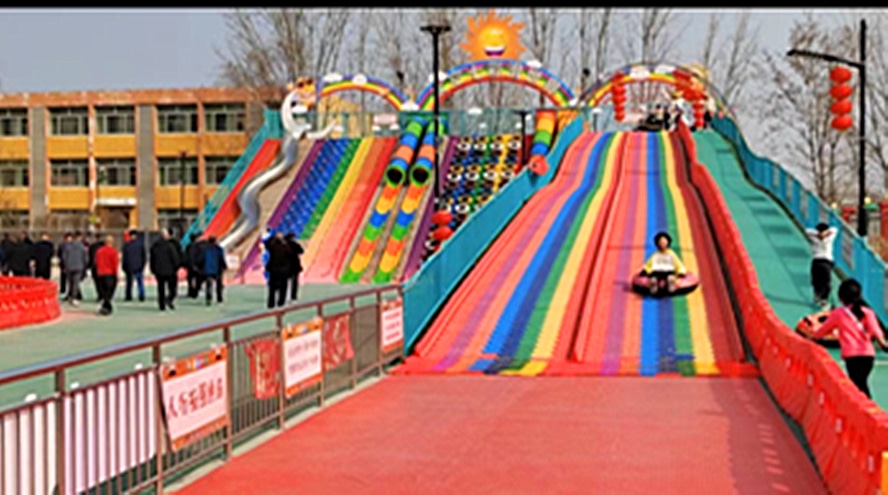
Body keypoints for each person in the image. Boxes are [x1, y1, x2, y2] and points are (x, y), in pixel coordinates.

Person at [809, 279, 888, 399]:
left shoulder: (838, 313)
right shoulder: (868, 312)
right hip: (868, 356)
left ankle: (866, 408)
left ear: (841, 298)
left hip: (852, 357)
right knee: (860, 383)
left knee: (858, 385)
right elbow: (875, 330)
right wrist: (883, 344)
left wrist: (813, 337)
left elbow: (823, 330)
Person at [806, 222, 838, 310]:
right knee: (816, 280)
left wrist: (825, 233)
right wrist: (818, 234)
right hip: (817, 259)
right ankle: (817, 294)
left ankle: (824, 298)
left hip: (827, 261)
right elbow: (807, 231)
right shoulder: (813, 237)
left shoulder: (829, 238)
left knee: (826, 281)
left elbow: (835, 229)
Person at [150, 229, 181, 311]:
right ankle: (169, 299)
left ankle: (161, 304)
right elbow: (175, 258)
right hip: (170, 270)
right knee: (172, 288)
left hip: (159, 270)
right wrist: (177, 267)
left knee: (161, 288)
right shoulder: (170, 246)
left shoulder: (155, 246)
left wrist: (153, 269)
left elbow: (152, 258)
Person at [264, 232, 291, 309]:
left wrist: (273, 237)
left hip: (273, 269)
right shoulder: (286, 247)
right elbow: (290, 256)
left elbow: (266, 243)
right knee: (283, 287)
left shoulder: (272, 246)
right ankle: (281, 302)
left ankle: (271, 303)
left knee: (272, 288)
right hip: (283, 270)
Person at [94, 235, 119, 316]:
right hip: (110, 274)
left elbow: (96, 262)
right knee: (109, 292)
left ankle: (105, 306)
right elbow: (115, 264)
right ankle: (107, 306)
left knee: (104, 292)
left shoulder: (99, 251)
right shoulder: (113, 251)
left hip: (101, 273)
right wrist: (116, 274)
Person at [61, 231, 89, 306]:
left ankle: (70, 296)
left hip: (69, 266)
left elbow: (64, 257)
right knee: (76, 283)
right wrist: (85, 266)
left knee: (70, 282)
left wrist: (65, 266)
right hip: (79, 267)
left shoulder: (68, 246)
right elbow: (85, 258)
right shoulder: (82, 247)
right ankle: (74, 297)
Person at [122, 230, 146, 302]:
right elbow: (143, 256)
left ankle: (128, 295)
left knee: (129, 283)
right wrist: (143, 265)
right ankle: (141, 295)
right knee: (140, 282)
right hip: (139, 266)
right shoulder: (140, 245)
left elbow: (125, 257)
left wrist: (124, 266)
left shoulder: (126, 245)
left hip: (129, 266)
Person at [203, 235, 227, 306]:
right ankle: (219, 298)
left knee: (209, 285)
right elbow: (221, 259)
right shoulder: (219, 249)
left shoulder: (205, 249)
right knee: (219, 284)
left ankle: (208, 298)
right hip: (217, 269)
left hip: (208, 269)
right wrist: (224, 266)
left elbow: (202, 259)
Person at [185, 232, 207, 298]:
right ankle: (195, 290)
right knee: (197, 278)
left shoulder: (190, 246)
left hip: (194, 264)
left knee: (191, 278)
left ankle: (192, 290)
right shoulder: (198, 246)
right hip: (197, 264)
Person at [284, 233, 304, 301]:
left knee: (285, 281)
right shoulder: (295, 244)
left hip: (286, 265)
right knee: (294, 282)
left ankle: (285, 295)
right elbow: (301, 251)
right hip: (295, 265)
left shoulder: (284, 245)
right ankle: (293, 296)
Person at [88, 233, 103, 301]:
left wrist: (89, 266)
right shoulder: (104, 246)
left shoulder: (92, 247)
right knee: (102, 281)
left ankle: (100, 294)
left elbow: (90, 257)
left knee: (97, 282)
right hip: (102, 266)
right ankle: (103, 294)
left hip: (95, 266)